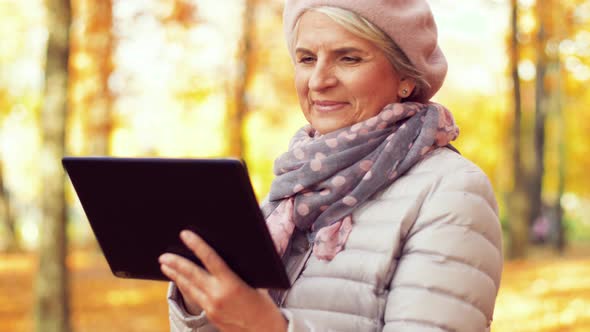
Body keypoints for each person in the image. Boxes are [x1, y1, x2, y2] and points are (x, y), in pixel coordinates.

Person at [159, 0, 503, 331]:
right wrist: (200, 303)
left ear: (406, 78)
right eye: (307, 58)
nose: (318, 80)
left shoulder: (451, 192)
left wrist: (264, 327)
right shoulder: (292, 188)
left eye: (349, 58)